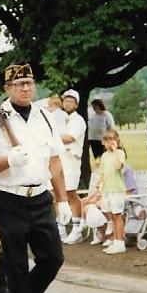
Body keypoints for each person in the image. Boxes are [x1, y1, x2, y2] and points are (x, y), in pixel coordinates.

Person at [0, 62, 71, 293]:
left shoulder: (44, 115)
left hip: (41, 196)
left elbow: (54, 161)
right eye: (19, 84)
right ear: (7, 89)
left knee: (53, 258)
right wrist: (8, 160)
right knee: (16, 263)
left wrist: (63, 199)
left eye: (29, 83)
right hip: (10, 198)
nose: (26, 88)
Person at [57, 89, 88, 244]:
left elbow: (69, 138)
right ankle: (61, 228)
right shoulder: (59, 118)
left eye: (71, 101)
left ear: (76, 104)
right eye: (66, 100)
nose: (68, 103)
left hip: (71, 161)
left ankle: (76, 229)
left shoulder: (79, 120)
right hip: (58, 160)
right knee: (57, 194)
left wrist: (50, 138)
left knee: (70, 194)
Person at [95, 129, 130, 254]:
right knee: (111, 216)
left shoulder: (120, 153)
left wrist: (115, 151)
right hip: (107, 190)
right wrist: (99, 183)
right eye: (106, 140)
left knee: (117, 216)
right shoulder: (104, 156)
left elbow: (118, 166)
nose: (109, 143)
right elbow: (103, 172)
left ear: (117, 141)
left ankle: (120, 242)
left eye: (111, 140)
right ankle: (115, 241)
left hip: (117, 190)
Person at [86, 98, 115, 163]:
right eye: (93, 106)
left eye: (95, 106)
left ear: (99, 105)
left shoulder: (107, 115)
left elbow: (111, 128)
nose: (93, 108)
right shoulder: (92, 115)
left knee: (104, 157)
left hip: (103, 140)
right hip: (93, 140)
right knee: (97, 157)